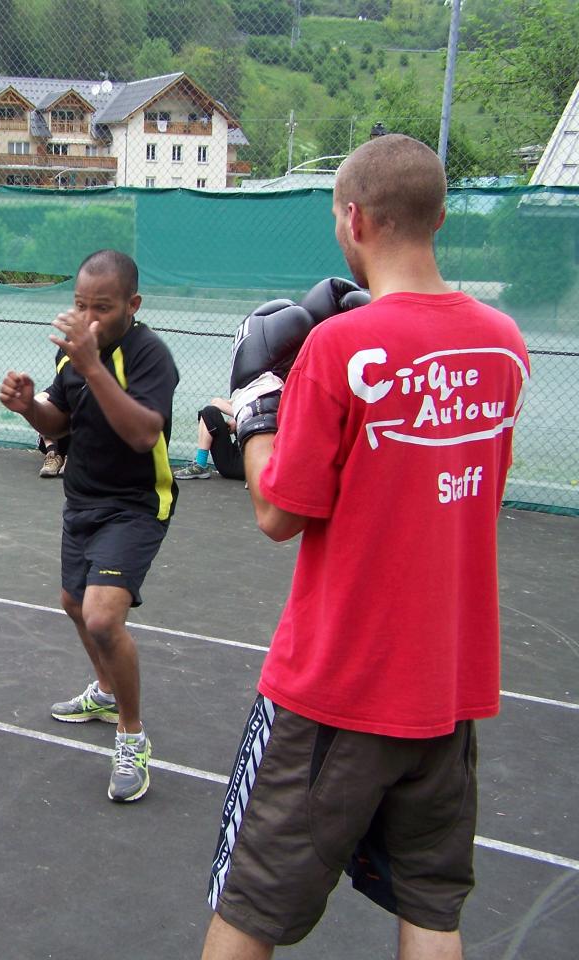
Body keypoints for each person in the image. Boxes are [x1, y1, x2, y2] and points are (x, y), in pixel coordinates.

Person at [202, 134, 529, 959]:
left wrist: (254, 413)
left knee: (249, 907)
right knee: (431, 910)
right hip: (447, 689)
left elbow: (280, 511)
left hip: (335, 691)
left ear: (352, 220)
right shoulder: (504, 344)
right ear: (440, 217)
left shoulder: (340, 349)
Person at [0, 249, 179, 803]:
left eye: (101, 307)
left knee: (103, 617)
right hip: (83, 499)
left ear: (133, 304)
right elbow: (62, 419)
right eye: (80, 305)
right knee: (74, 604)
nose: (88, 317)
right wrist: (30, 408)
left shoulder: (149, 355)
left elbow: (145, 433)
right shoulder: (72, 355)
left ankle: (133, 736)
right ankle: (104, 692)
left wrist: (92, 362)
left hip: (136, 503)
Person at [173, 397, 243, 481]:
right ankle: (200, 465)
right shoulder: (247, 393)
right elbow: (218, 402)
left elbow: (218, 402)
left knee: (215, 404)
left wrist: (239, 417)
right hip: (232, 459)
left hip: (249, 464)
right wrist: (237, 419)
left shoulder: (261, 396)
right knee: (209, 412)